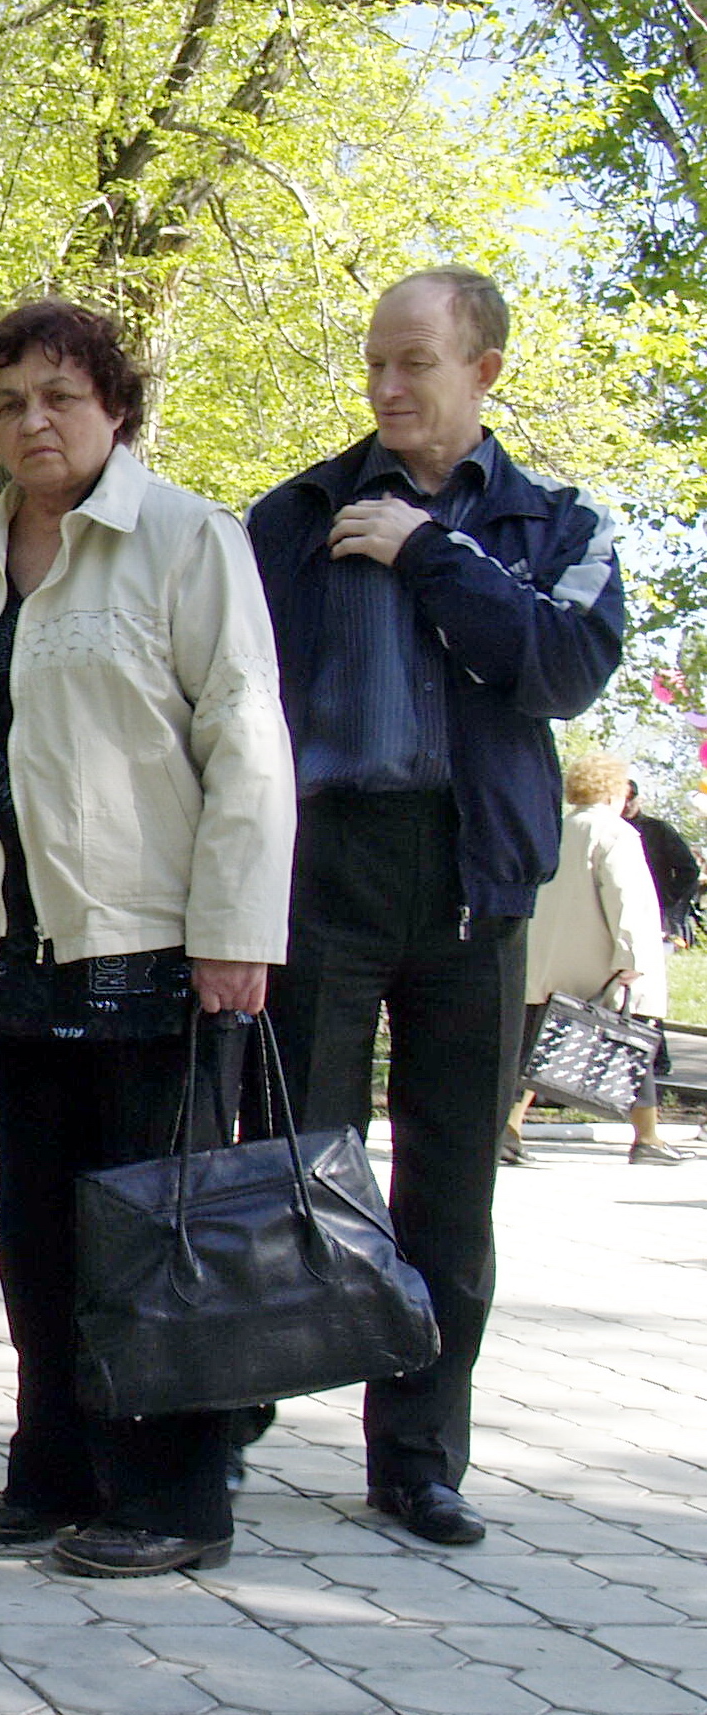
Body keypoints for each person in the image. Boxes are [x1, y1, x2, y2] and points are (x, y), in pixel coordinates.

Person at [0, 298, 297, 1578]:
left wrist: (236, 929)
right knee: (40, 1229)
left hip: (158, 943)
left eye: (61, 396)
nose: (35, 421)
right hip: (16, 945)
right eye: (9, 401)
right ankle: (56, 1466)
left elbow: (245, 741)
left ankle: (176, 1497)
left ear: (113, 407)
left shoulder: (185, 539)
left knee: (154, 1226)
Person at [249, 266, 625, 1548]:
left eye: (415, 362)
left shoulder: (552, 526)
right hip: (318, 871)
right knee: (294, 1164)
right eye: (374, 363)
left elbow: (560, 670)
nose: (388, 386)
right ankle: (228, 1421)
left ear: (486, 372)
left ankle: (415, 1458)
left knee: (450, 1192)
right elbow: (234, 702)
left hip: (474, 883)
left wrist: (429, 554)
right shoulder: (293, 515)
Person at [518, 752, 681, 1163]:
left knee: (537, 1048)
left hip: (548, 961)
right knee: (632, 1046)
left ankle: (509, 1128)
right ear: (616, 789)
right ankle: (647, 1138)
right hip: (601, 961)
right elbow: (626, 898)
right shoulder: (616, 834)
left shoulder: (557, 829)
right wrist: (633, 957)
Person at [627, 779, 700, 946]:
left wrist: (669, 898)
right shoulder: (606, 830)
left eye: (631, 797)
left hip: (657, 910)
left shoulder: (658, 830)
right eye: (621, 798)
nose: (626, 803)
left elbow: (689, 870)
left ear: (639, 799)